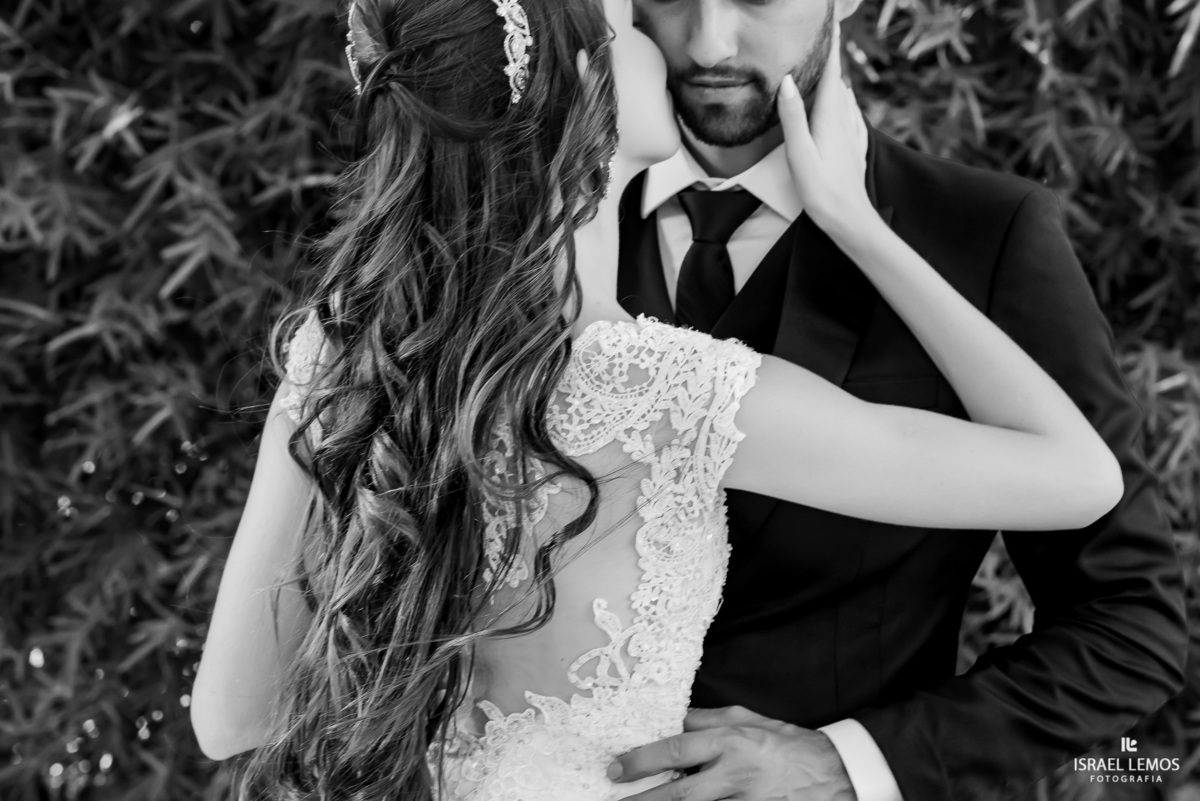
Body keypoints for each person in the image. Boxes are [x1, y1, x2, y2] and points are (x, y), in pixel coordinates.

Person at [189, 0, 1124, 799]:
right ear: (581, 88)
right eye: (631, 8)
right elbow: (1079, 475)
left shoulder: (355, 350)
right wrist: (858, 225)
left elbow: (230, 716)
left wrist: (849, 764)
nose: (704, 43)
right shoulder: (669, 391)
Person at [605, 1, 1189, 800]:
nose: (708, 41)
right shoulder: (517, 244)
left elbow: (1130, 623)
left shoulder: (982, 235)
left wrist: (848, 762)